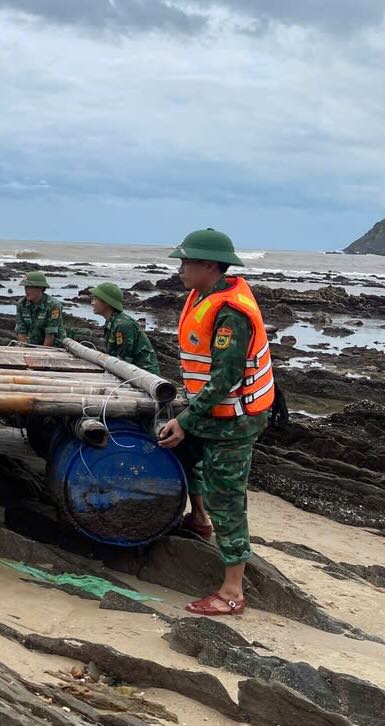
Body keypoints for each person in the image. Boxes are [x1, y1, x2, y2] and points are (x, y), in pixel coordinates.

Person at [157, 228, 275, 617]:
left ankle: (232, 591)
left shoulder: (230, 313)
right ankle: (198, 518)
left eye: (187, 262)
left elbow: (225, 379)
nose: (180, 269)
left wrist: (185, 419)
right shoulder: (203, 295)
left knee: (228, 495)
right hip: (210, 412)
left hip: (235, 420)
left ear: (210, 265)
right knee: (184, 455)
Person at [89, 282, 160, 374]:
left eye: (95, 299)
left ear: (106, 302)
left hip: (144, 376)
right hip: (131, 372)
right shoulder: (112, 322)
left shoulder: (123, 325)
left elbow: (124, 359)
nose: (92, 303)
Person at [15, 271, 64, 346]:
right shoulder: (22, 304)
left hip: (54, 347)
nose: (26, 291)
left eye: (30, 287)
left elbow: (50, 335)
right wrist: (24, 350)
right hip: (33, 344)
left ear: (40, 288)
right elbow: (21, 331)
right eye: (25, 287)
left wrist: (41, 354)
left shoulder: (53, 305)